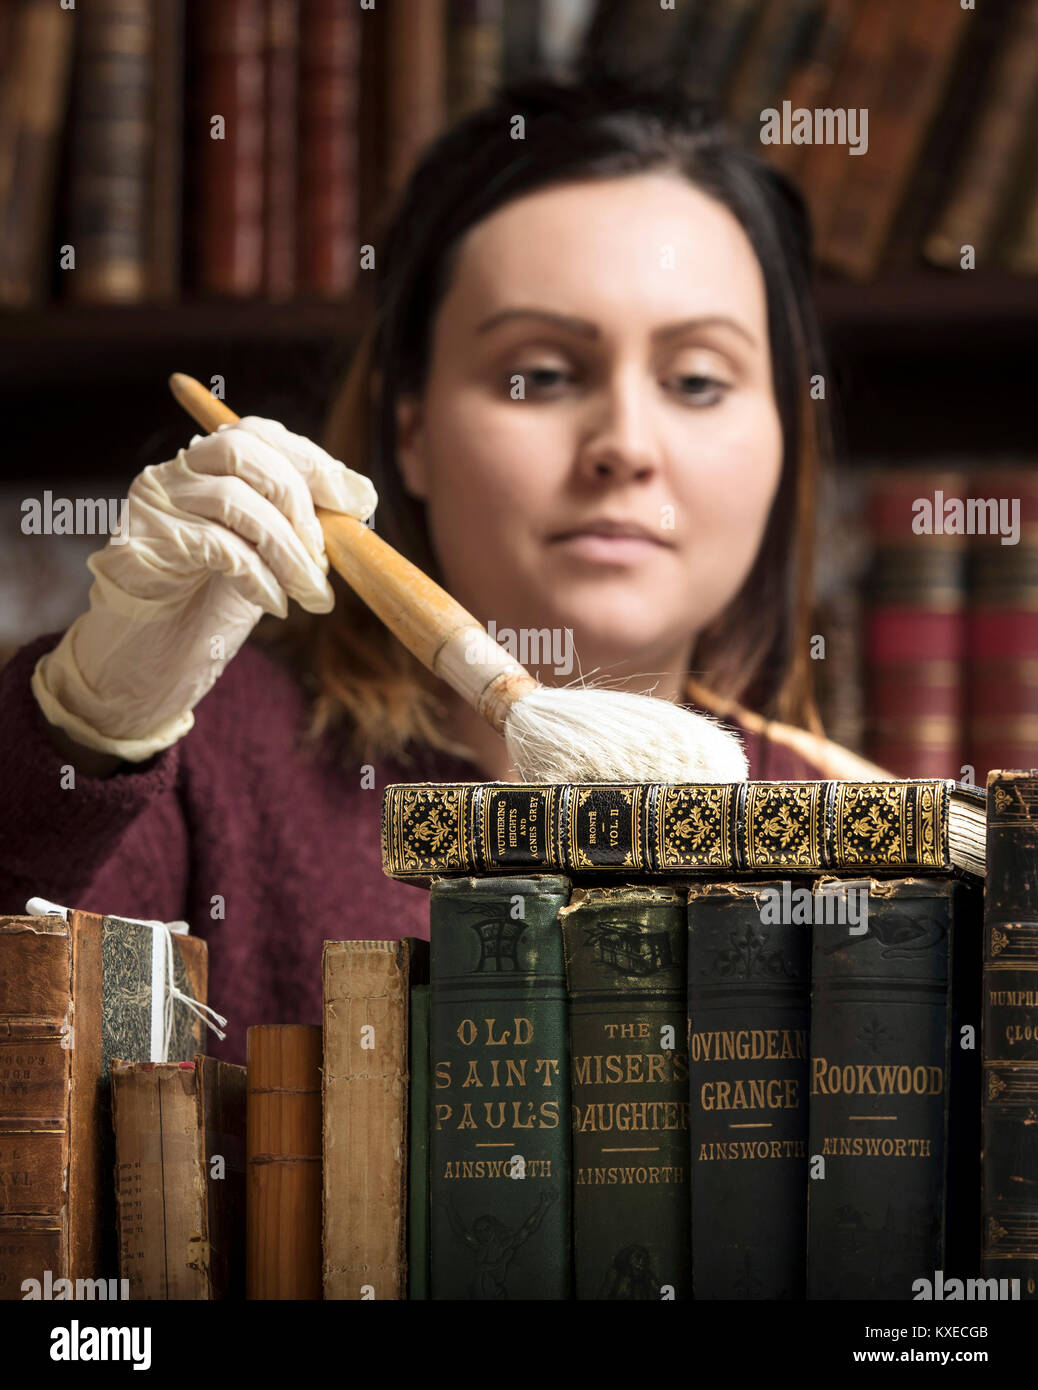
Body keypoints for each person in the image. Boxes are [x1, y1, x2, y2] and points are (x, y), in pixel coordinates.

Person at [0, 76, 878, 1063]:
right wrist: (83, 731)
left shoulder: (860, 836)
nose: (626, 444)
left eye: (698, 381)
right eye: (539, 374)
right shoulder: (196, 766)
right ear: (408, 429)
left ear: (784, 437)